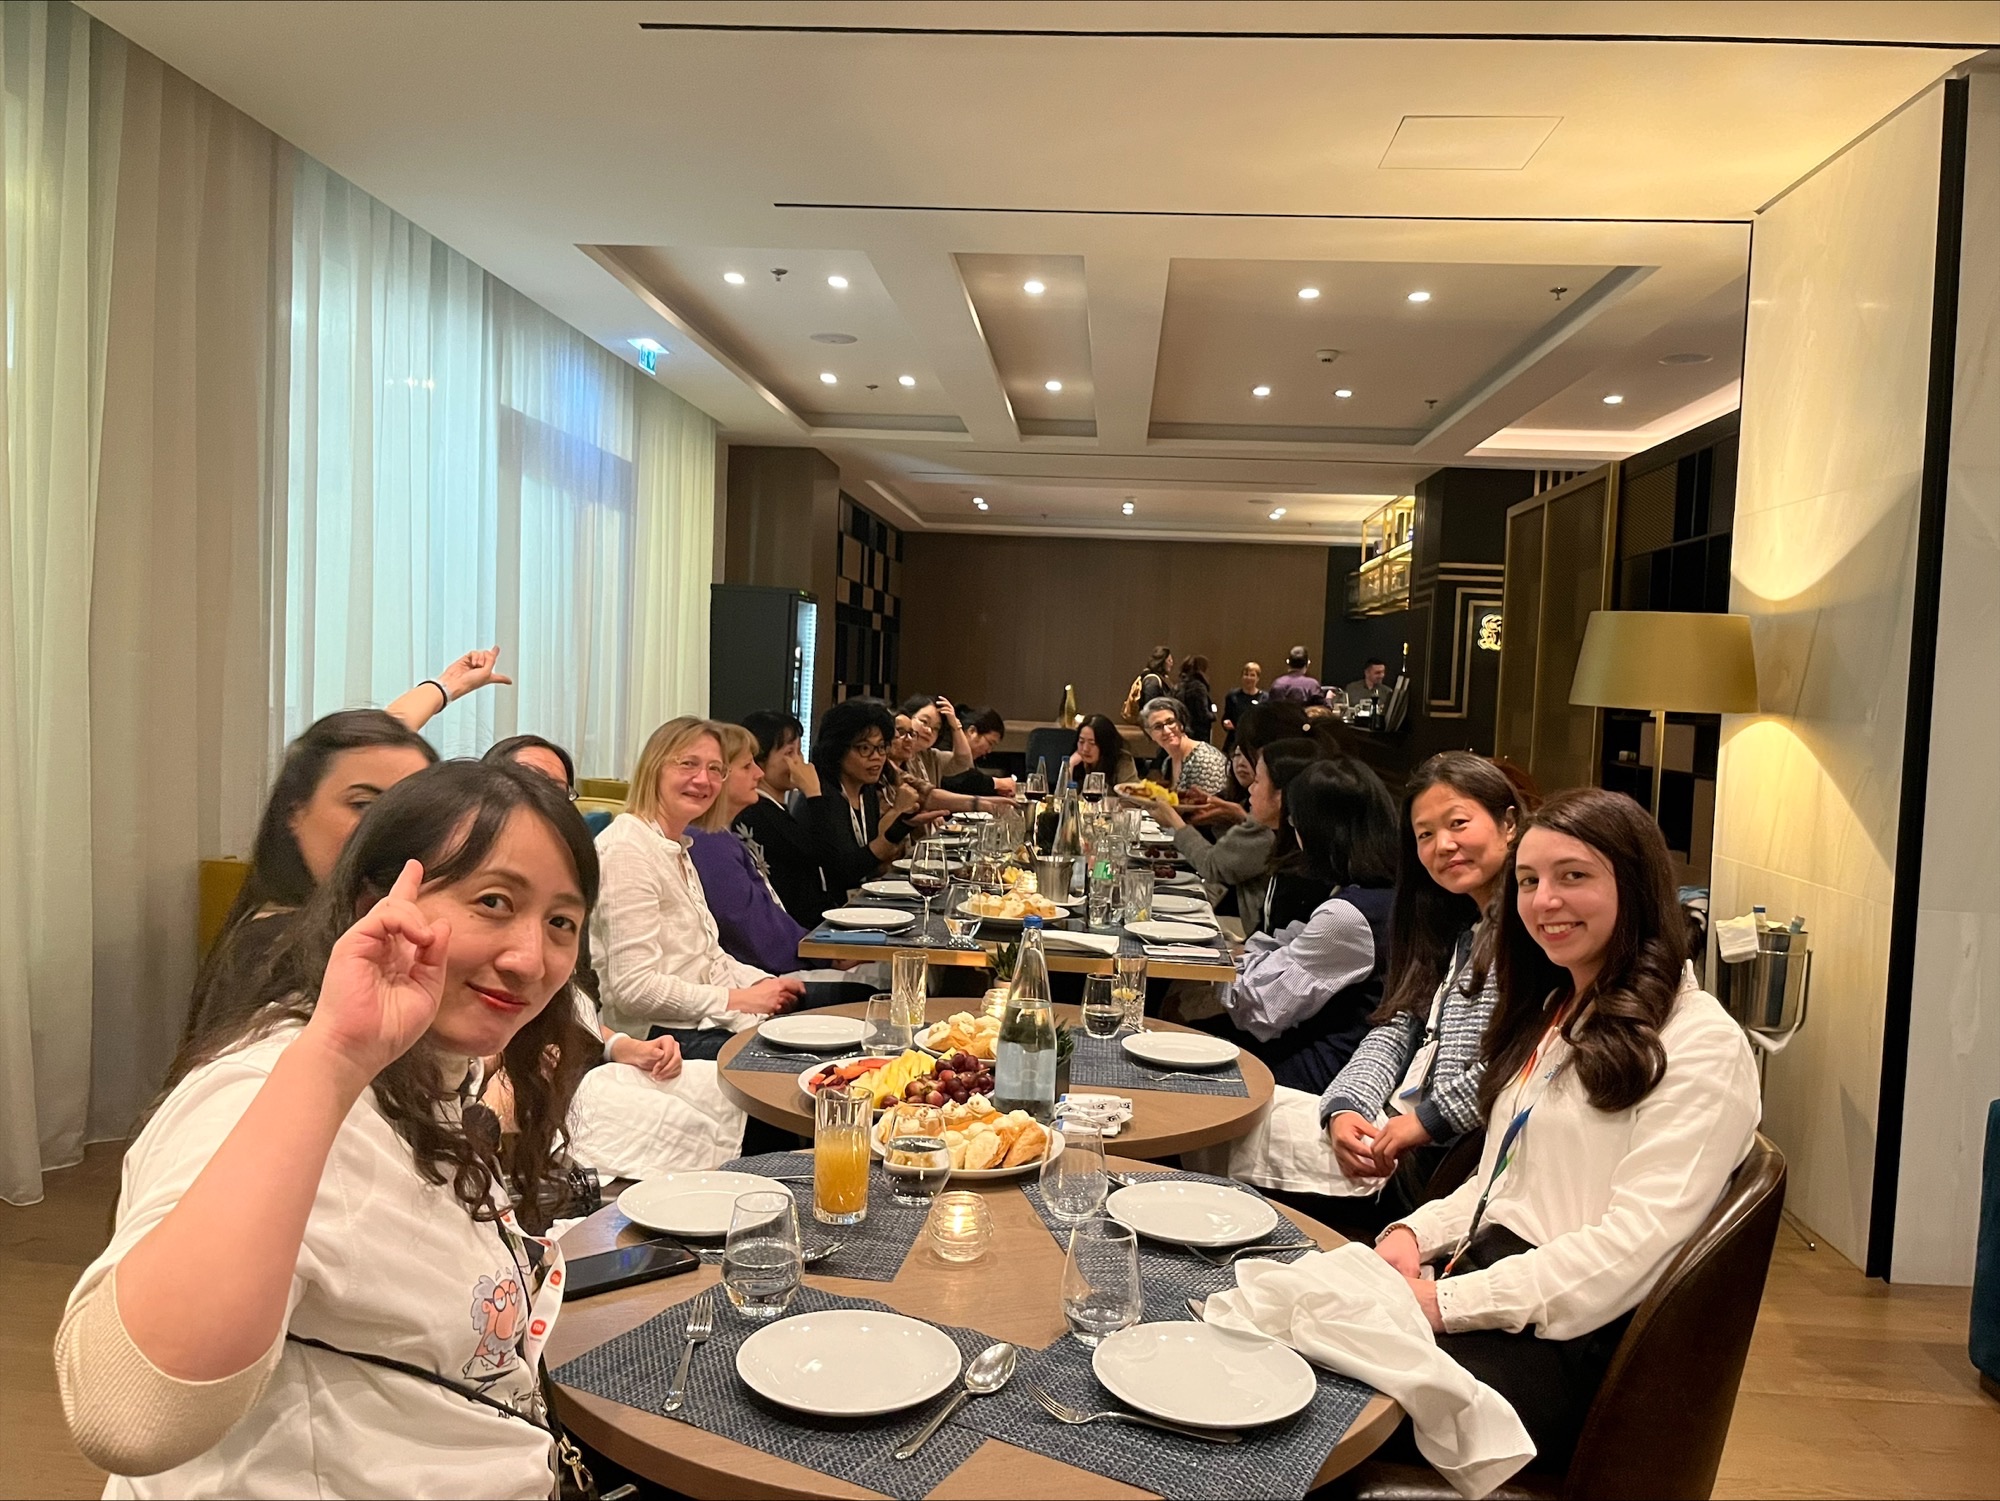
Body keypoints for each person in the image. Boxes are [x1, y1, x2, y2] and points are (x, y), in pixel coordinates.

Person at [57, 760, 600, 1498]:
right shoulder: (271, 1086)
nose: (531, 959)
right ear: (379, 903)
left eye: (561, 922)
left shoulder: (432, 1075)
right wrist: (336, 1054)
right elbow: (131, 1417)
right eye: (494, 902)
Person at [1373, 787, 1761, 1471]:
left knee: (1319, 1403)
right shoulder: (1560, 1007)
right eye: (1528, 881)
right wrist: (1414, 1234)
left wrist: (1445, 1302)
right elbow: (1502, 1183)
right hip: (1495, 1285)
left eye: (1573, 875)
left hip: (1562, 1346)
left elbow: (1632, 1246)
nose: (1544, 900)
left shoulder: (1701, 1043)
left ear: (1635, 885)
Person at [1221, 752, 1528, 1229]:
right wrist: (1346, 1106)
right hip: (1392, 1116)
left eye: (1458, 823)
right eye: (1425, 835)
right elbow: (1399, 1026)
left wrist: (1425, 1121)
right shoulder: (1457, 925)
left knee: (1224, 1130)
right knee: (1221, 1115)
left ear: (1509, 824)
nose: (1444, 845)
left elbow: (1522, 1058)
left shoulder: (1527, 932)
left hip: (1439, 1159)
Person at [186, 710, 439, 1042]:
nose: (387, 829)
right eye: (363, 805)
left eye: (412, 813)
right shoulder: (277, 954)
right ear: (295, 813)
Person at [592, 717, 804, 1059]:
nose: (703, 779)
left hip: (702, 1019)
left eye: (715, 769)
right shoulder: (627, 850)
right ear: (654, 768)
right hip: (657, 1036)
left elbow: (707, 957)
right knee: (811, 1064)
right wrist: (738, 999)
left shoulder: (677, 846)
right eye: (688, 764)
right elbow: (634, 990)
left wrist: (761, 983)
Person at [1203, 758, 1400, 1093]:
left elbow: (1261, 1009)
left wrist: (1215, 965)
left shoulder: (1349, 915)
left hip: (1326, 1071)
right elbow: (1283, 945)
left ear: (1316, 830)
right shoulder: (1379, 890)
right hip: (1324, 1050)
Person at [1138, 736, 1328, 937]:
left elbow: (1213, 865)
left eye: (1257, 781)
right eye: (1236, 755)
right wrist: (1234, 817)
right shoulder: (1293, 840)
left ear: (1281, 796)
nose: (1251, 788)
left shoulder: (1294, 863)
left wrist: (1174, 821)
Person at [688, 723, 810, 976]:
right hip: (759, 975)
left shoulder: (721, 836)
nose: (759, 773)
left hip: (771, 965)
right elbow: (751, 931)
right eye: (747, 766)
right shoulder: (709, 842)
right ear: (720, 776)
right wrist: (822, 955)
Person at [804, 698, 943, 901]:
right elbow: (843, 872)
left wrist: (903, 825)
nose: (877, 757)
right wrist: (898, 824)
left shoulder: (867, 791)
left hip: (864, 901)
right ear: (837, 749)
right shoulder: (821, 796)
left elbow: (871, 865)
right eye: (865, 748)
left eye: (881, 747)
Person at [733, 709, 828, 926]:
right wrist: (814, 794)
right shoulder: (756, 811)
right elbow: (821, 854)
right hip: (792, 927)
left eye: (799, 751)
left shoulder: (775, 807)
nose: (799, 761)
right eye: (789, 753)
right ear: (759, 760)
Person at [1140, 696, 1230, 797]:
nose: (1167, 731)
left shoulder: (1205, 759)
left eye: (1170, 722)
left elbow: (1207, 805)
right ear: (1150, 734)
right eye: (1158, 727)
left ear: (1181, 723)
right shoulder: (1168, 762)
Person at [941, 705, 1018, 797]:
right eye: (990, 743)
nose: (989, 751)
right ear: (972, 731)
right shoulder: (943, 746)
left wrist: (995, 790)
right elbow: (957, 779)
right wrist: (997, 783)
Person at [1066, 713, 1138, 789]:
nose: (1085, 749)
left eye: (1092, 743)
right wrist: (1070, 766)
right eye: (1081, 741)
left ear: (1105, 744)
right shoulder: (1077, 762)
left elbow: (1130, 793)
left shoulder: (1122, 761)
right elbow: (1063, 793)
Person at [1221, 661, 1265, 753]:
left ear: (1258, 678)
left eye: (1252, 675)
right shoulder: (1232, 696)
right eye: (1246, 674)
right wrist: (1225, 723)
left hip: (1255, 743)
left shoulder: (1264, 698)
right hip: (1234, 741)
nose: (1248, 678)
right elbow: (1226, 717)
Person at [1121, 645, 1174, 722]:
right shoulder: (1152, 681)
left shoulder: (1162, 679)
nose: (1172, 663)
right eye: (1169, 660)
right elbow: (1150, 707)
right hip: (1154, 723)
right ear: (1161, 662)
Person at [1176, 654, 1216, 744]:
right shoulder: (1199, 687)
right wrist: (1213, 716)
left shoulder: (1181, 685)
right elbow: (1202, 712)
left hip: (1185, 729)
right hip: (1198, 732)